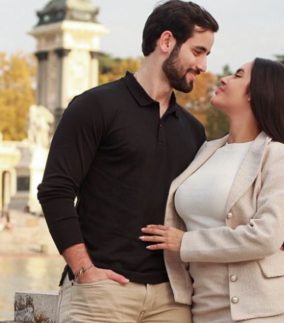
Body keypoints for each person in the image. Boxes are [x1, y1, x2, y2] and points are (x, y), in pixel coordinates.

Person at [37, 1, 218, 322]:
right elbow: (55, 191)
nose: (203, 65)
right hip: (102, 295)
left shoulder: (193, 130)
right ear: (166, 42)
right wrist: (84, 270)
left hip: (172, 301)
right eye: (198, 51)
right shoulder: (93, 106)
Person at [141, 58, 284, 322]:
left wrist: (185, 243)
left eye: (237, 75)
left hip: (261, 309)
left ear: (256, 94)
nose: (224, 79)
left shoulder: (279, 156)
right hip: (203, 305)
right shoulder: (205, 151)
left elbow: (266, 236)